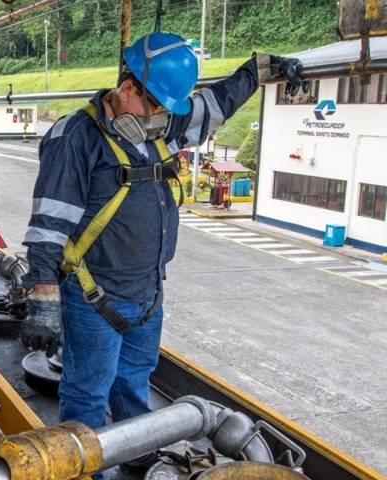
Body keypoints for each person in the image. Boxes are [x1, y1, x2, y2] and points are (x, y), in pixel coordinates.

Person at [20, 32, 306, 475]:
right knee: (87, 396)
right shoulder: (75, 138)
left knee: (134, 383)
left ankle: (137, 459)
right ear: (128, 88)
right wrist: (42, 293)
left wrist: (258, 69)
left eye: (167, 111)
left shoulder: (161, 125)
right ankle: (85, 472)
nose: (161, 121)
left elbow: (216, 105)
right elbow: (49, 222)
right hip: (95, 295)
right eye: (155, 108)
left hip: (147, 292)